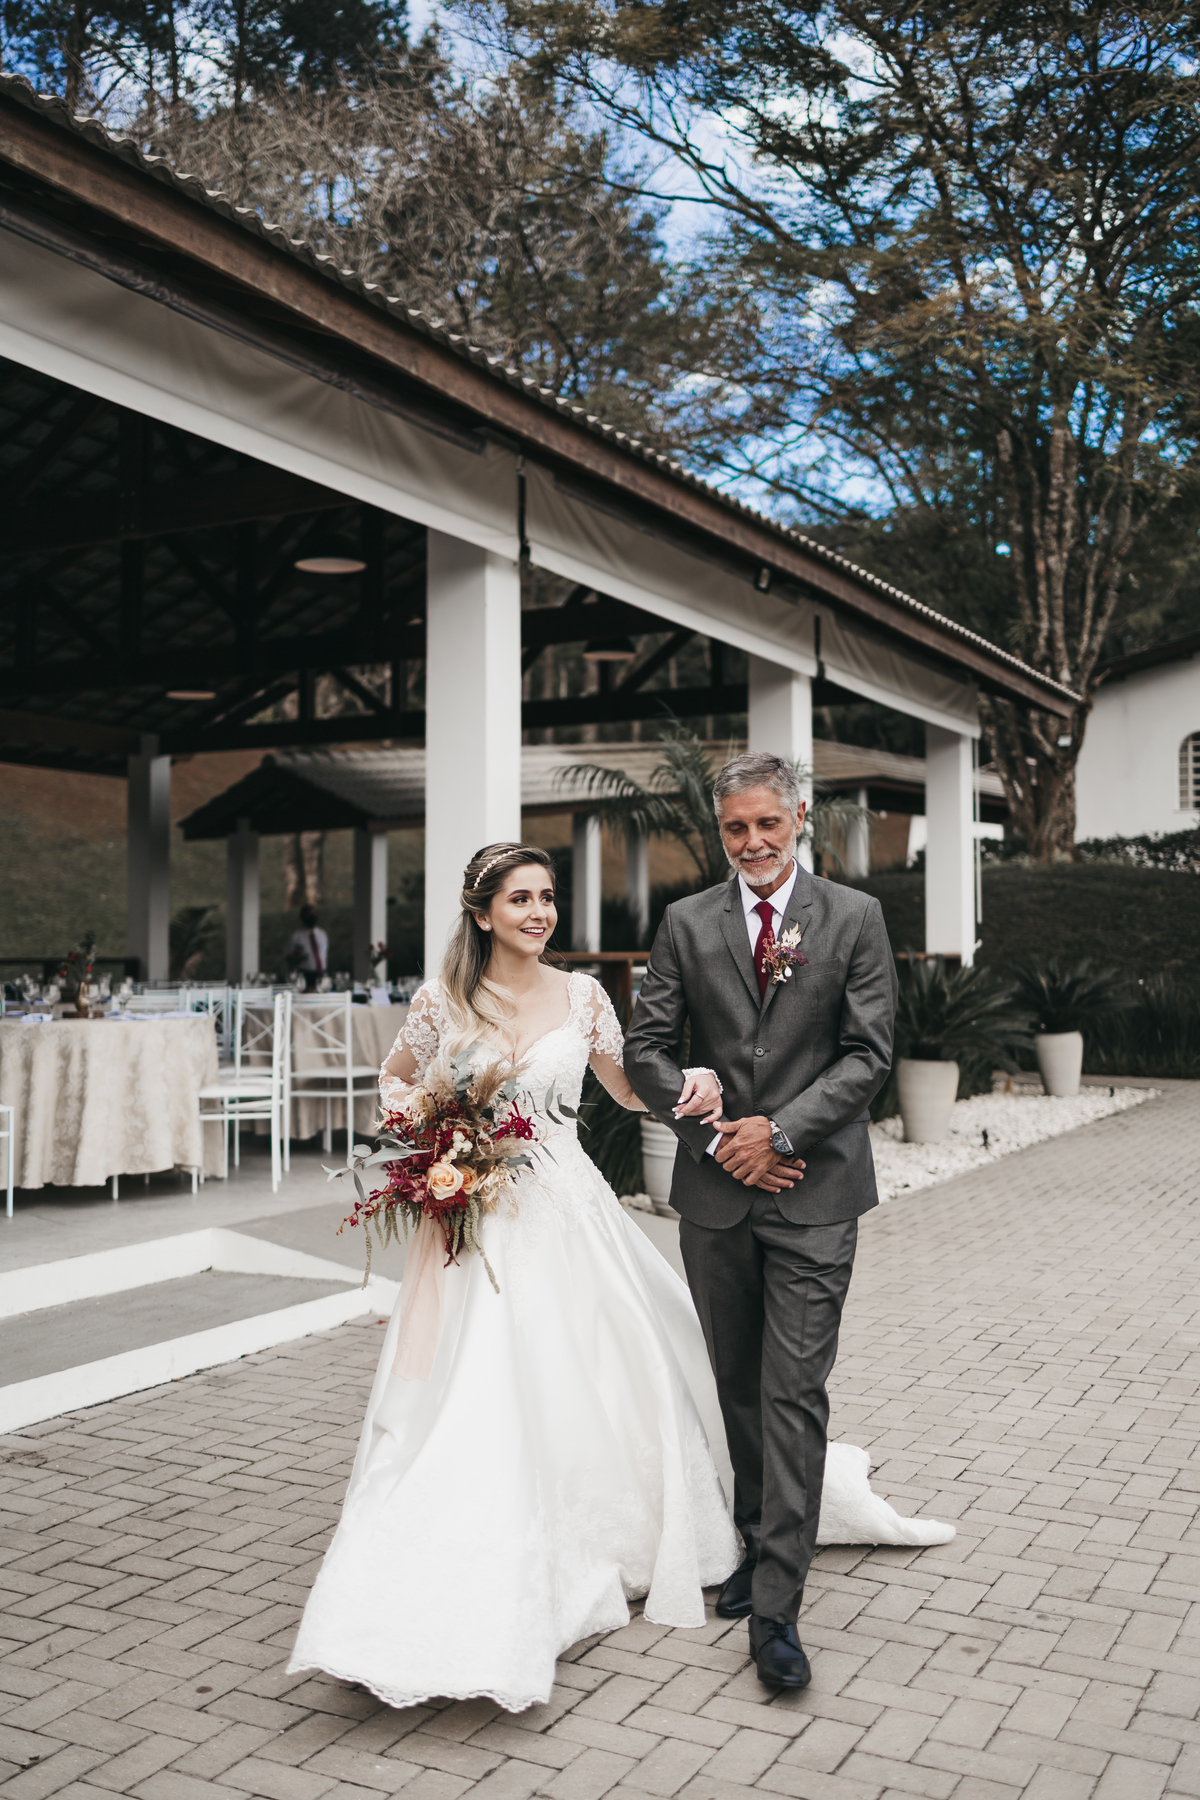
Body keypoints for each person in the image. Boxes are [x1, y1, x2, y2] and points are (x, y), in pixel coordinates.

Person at [287, 842, 740, 1712]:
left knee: (595, 1365)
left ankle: (601, 1533)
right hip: (480, 1219)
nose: (540, 913)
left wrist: (694, 1081)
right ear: (483, 912)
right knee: (478, 1383)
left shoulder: (585, 995)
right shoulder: (442, 1001)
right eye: (521, 899)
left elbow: (628, 1089)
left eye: (547, 897)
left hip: (568, 1208)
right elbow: (392, 1084)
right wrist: (441, 1131)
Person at [624, 751, 898, 1691]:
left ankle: (778, 1605)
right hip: (715, 1197)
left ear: (799, 818)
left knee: (794, 1389)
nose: (751, 842)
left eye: (766, 824)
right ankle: (752, 1539)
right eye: (735, 827)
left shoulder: (854, 917)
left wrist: (777, 1132)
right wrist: (716, 1135)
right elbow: (648, 1050)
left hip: (816, 1196)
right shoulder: (686, 922)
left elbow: (868, 1056)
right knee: (738, 1383)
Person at [284, 904, 328, 990]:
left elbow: (323, 955)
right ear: (303, 917)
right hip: (304, 974)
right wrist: (296, 957)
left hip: (321, 973)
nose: (312, 916)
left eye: (314, 914)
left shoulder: (322, 934)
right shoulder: (296, 935)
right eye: (309, 914)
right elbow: (287, 957)